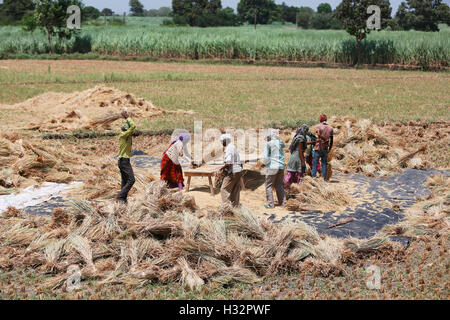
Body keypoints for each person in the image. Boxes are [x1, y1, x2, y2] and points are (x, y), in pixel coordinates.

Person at [262, 129, 286, 209]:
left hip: (272, 167)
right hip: (281, 166)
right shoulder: (280, 143)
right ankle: (283, 202)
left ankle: (270, 204)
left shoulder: (269, 144)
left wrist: (263, 163)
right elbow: (284, 146)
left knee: (268, 185)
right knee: (279, 185)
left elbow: (266, 158)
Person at [117, 108, 136, 203]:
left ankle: (122, 200)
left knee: (124, 181)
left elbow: (131, 128)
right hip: (124, 160)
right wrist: (127, 117)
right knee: (131, 180)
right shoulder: (124, 135)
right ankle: (120, 196)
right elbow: (133, 126)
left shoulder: (124, 134)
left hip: (122, 161)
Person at [220, 134, 243, 207]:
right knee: (235, 190)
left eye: (222, 141)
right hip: (239, 170)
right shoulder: (233, 146)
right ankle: (235, 207)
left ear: (225, 141)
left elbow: (228, 163)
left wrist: (222, 168)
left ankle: (227, 208)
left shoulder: (228, 148)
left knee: (224, 189)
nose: (222, 143)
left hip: (233, 171)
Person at [284, 124, 309, 190]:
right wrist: (303, 162)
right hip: (298, 158)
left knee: (290, 174)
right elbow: (300, 150)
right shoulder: (301, 139)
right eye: (306, 130)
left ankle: (284, 189)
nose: (307, 132)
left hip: (292, 157)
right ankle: (299, 190)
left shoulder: (297, 137)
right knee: (300, 176)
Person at [312, 114, 334, 180]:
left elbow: (317, 135)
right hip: (325, 148)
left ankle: (314, 176)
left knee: (315, 162)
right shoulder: (330, 128)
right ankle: (324, 178)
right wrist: (329, 148)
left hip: (318, 147)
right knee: (324, 163)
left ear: (320, 119)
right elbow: (331, 139)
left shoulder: (318, 126)